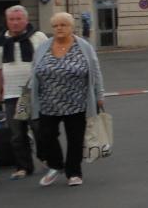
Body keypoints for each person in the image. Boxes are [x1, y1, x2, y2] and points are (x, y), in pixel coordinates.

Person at [24, 12, 105, 188]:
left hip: (77, 101)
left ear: (71, 27)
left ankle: (74, 172)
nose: (59, 28)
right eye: (55, 26)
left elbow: (95, 72)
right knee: (46, 135)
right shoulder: (43, 47)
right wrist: (30, 95)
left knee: (75, 139)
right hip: (48, 102)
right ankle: (56, 165)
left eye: (63, 25)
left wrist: (99, 95)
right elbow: (34, 70)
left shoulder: (84, 46)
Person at [0, 5, 50, 179]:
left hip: (34, 92)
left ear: (26, 20)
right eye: (11, 20)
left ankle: (45, 157)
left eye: (18, 19)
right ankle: (23, 166)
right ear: (6, 21)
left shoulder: (39, 37)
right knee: (17, 133)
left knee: (39, 128)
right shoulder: (1, 40)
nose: (15, 23)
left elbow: (49, 62)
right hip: (12, 94)